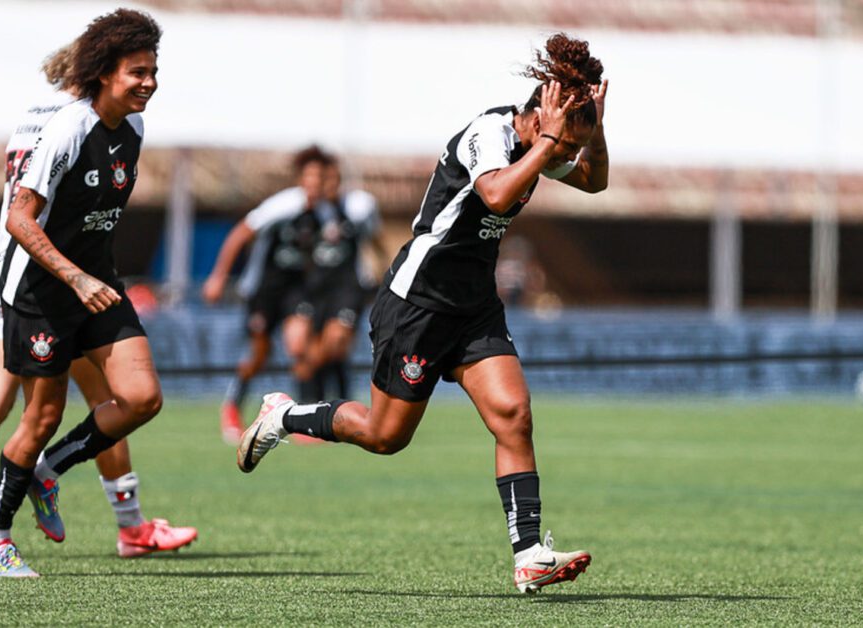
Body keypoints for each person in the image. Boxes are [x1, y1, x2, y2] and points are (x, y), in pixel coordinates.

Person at [236, 32, 609, 594]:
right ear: (536, 117)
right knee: (386, 437)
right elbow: (498, 196)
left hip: (474, 308)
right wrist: (551, 143)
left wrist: (593, 134)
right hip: (416, 304)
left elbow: (595, 181)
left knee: (513, 414)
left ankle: (529, 553)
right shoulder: (491, 133)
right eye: (559, 140)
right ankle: (284, 416)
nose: (561, 154)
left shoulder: (543, 145)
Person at [0, 41, 196, 562]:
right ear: (98, 73)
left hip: (85, 280)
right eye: (136, 72)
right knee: (41, 413)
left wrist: (91, 274)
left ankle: (13, 494)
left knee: (135, 397)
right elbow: (22, 215)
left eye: (152, 71)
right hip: (35, 282)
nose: (149, 83)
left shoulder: (123, 127)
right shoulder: (66, 125)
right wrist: (75, 277)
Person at [202, 146, 331, 443]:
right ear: (301, 178)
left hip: (295, 292)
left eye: (320, 177)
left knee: (300, 348)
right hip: (262, 291)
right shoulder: (282, 206)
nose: (315, 182)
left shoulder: (325, 213)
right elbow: (239, 234)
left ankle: (304, 422)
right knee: (259, 356)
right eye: (310, 176)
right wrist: (219, 277)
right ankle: (232, 407)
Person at [297, 157, 384, 401]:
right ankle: (321, 406)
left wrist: (385, 269)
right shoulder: (304, 212)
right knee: (328, 353)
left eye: (333, 179)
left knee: (334, 342)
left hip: (347, 289)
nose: (328, 184)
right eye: (324, 179)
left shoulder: (357, 208)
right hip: (316, 290)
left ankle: (317, 397)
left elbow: (376, 240)